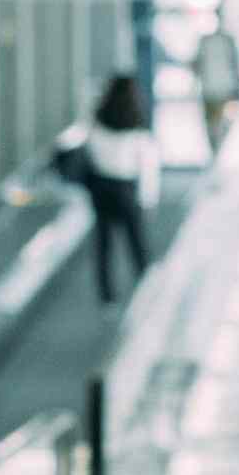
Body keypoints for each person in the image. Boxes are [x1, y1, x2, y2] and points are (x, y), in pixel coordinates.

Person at [84, 73, 159, 303]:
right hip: (126, 188)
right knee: (136, 242)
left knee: (104, 245)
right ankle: (147, 288)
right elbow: (147, 167)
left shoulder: (98, 120)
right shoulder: (136, 124)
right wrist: (149, 200)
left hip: (101, 187)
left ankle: (107, 297)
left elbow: (90, 151)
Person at [193, 22, 239, 156]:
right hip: (214, 90)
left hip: (221, 89)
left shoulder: (225, 41)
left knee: (219, 124)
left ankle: (216, 151)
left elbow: (196, 65)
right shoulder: (208, 41)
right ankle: (215, 151)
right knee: (215, 125)